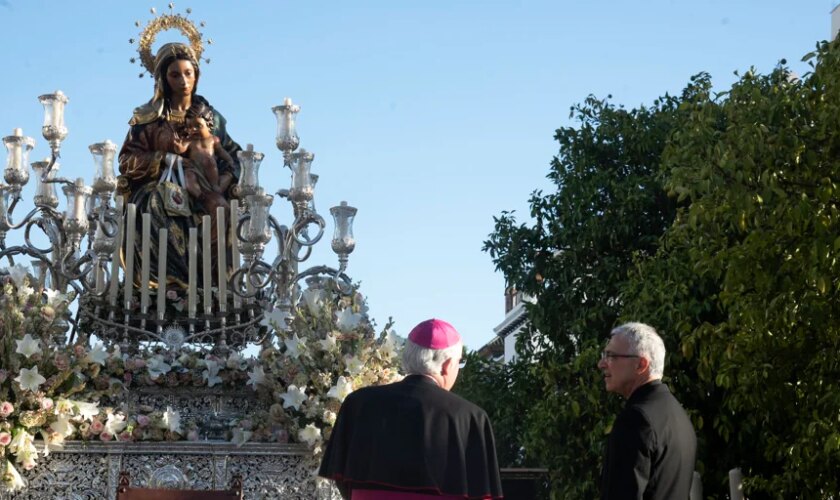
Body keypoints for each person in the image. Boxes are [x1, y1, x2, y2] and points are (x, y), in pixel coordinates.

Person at [319, 318, 504, 500]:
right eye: (459, 363)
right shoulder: (470, 417)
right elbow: (481, 493)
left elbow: (341, 476)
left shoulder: (358, 403)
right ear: (447, 366)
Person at [118, 42, 241, 288]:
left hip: (207, 187)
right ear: (163, 78)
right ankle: (167, 283)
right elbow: (126, 161)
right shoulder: (148, 119)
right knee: (157, 202)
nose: (184, 81)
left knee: (220, 208)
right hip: (161, 187)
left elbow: (234, 157)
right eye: (175, 75)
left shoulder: (211, 118)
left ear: (197, 75)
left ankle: (213, 283)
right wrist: (162, 158)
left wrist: (225, 181)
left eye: (189, 73)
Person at [597, 322, 696, 500]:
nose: (601, 364)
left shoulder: (635, 420)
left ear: (641, 364)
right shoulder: (677, 413)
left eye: (611, 356)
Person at [182, 101, 235, 218]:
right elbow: (180, 149)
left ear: (209, 124)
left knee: (209, 161)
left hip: (210, 173)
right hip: (194, 169)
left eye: (198, 126)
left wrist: (230, 161)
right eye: (190, 127)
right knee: (188, 177)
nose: (194, 130)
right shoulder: (190, 141)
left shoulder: (214, 140)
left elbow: (222, 153)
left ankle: (216, 187)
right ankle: (199, 195)